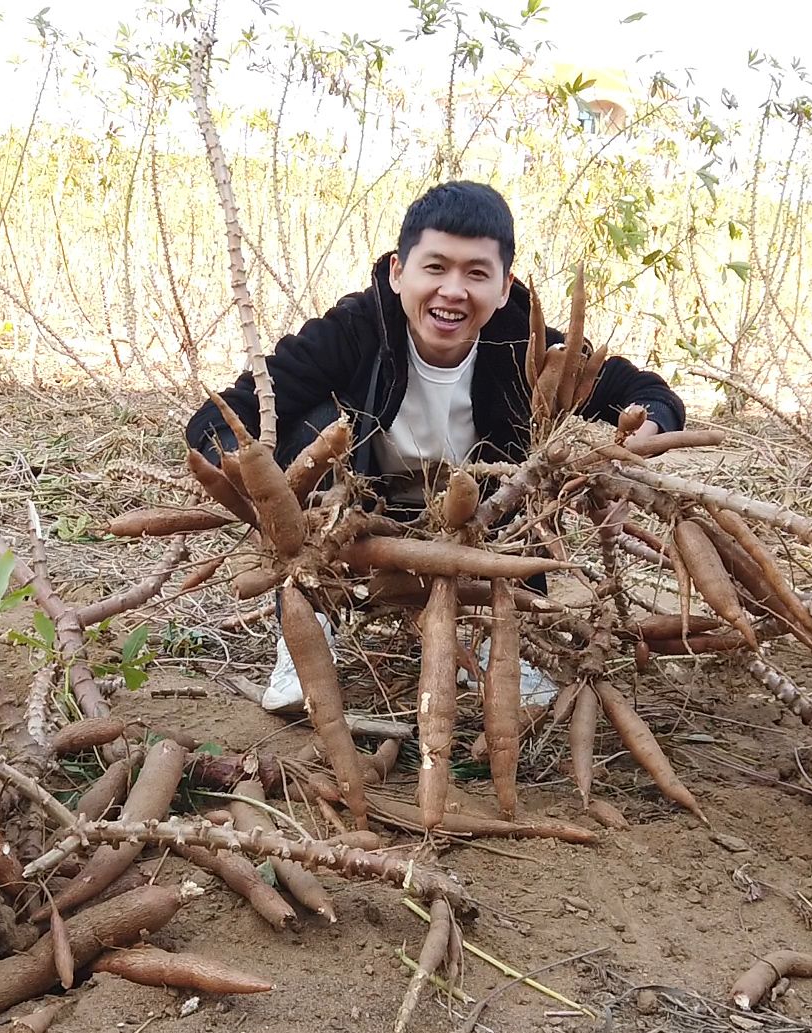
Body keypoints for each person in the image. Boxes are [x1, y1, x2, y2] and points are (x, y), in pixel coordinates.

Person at [186, 180, 685, 714]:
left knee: (543, 462)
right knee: (320, 429)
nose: (453, 291)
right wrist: (251, 478)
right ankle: (307, 627)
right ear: (399, 272)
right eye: (435, 267)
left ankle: (507, 632)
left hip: (484, 523)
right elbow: (224, 415)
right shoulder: (353, 330)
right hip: (358, 518)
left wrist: (646, 427)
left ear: (503, 286)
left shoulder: (526, 341)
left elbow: (643, 391)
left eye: (476, 274)